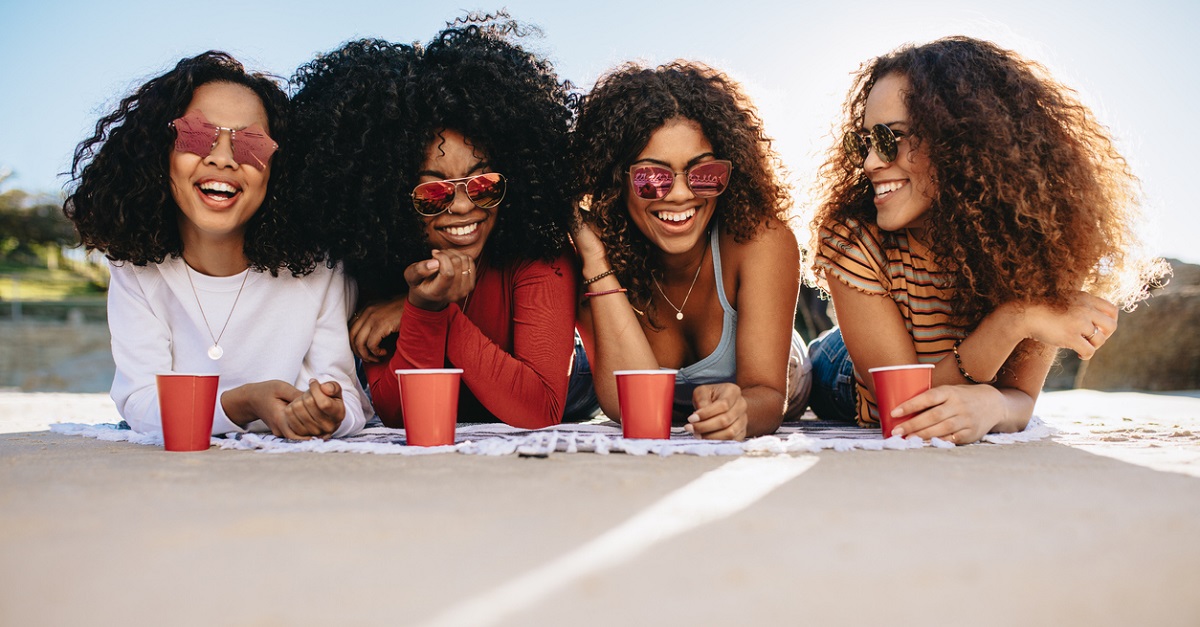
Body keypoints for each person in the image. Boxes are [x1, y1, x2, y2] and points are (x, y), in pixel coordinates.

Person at [807, 36, 1166, 444]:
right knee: (797, 375)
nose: (872, 162)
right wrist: (1015, 318)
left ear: (962, 141)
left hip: (938, 365)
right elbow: (902, 408)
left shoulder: (1045, 243)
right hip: (842, 372)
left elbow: (1019, 398)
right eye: (866, 143)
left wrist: (992, 406)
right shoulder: (853, 236)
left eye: (891, 139)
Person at [287, 18, 586, 429]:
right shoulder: (380, 261)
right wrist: (424, 306)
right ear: (389, 197)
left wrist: (428, 311)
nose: (463, 206)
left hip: (570, 387)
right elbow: (398, 413)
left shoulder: (538, 254)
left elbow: (541, 409)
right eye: (433, 194)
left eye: (482, 184)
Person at [63, 52, 371, 440]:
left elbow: (348, 399)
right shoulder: (136, 270)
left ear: (279, 168)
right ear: (159, 152)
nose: (223, 158)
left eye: (251, 143)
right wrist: (242, 403)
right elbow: (141, 401)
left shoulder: (319, 269)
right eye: (196, 135)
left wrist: (328, 413)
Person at [570, 61, 811, 441]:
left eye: (704, 174)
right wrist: (597, 263)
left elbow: (767, 395)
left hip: (789, 375)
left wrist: (740, 410)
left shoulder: (759, 241)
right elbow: (625, 405)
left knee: (834, 368)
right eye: (652, 177)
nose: (681, 194)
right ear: (616, 181)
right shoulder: (596, 255)